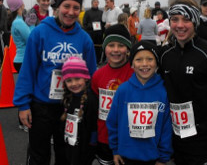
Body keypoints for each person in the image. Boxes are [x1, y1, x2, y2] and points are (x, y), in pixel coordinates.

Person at [13, 0, 97, 165]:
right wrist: (23, 104)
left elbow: (92, 76)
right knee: (38, 155)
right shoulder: (39, 32)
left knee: (66, 154)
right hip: (41, 105)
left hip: (71, 106)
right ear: (57, 7)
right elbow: (27, 70)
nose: (71, 12)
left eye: (76, 7)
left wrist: (89, 107)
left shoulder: (84, 39)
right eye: (67, 6)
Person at [160, 0, 207, 165]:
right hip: (174, 135)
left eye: (186, 19)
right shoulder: (164, 54)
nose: (179, 25)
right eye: (174, 19)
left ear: (195, 21)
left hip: (202, 138)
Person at [106, 40, 173, 165]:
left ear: (157, 63)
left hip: (153, 158)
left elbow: (166, 128)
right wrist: (115, 150)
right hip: (125, 157)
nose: (144, 64)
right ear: (132, 64)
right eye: (138, 59)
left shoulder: (164, 91)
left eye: (150, 59)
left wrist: (164, 157)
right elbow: (112, 122)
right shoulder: (123, 90)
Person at [91, 24, 133, 165]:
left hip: (129, 138)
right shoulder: (97, 75)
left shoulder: (136, 73)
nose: (116, 50)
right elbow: (94, 109)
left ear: (127, 49)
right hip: (104, 136)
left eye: (121, 45)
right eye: (111, 45)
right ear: (104, 48)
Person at [60, 56, 98, 165]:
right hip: (70, 144)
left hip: (85, 147)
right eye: (69, 80)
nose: (74, 84)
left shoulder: (90, 99)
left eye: (77, 78)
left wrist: (93, 144)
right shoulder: (68, 98)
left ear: (85, 78)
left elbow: (94, 125)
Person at [7, 0, 31, 132]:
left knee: (25, 89)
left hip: (20, 59)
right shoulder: (19, 23)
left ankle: (23, 122)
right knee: (26, 90)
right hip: (23, 60)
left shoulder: (19, 21)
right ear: (20, 6)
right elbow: (30, 39)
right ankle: (23, 122)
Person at [83, 0, 104, 64]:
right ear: (92, 3)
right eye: (95, 2)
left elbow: (103, 23)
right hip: (91, 33)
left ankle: (98, 61)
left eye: (97, 2)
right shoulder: (87, 12)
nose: (96, 3)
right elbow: (84, 23)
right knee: (90, 48)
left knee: (98, 49)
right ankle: (90, 61)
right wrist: (92, 26)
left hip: (99, 34)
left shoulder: (101, 12)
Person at [0, 0, 8, 64]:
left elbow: (2, 21)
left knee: (3, 46)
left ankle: (4, 60)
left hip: (2, 31)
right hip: (2, 30)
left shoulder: (3, 9)